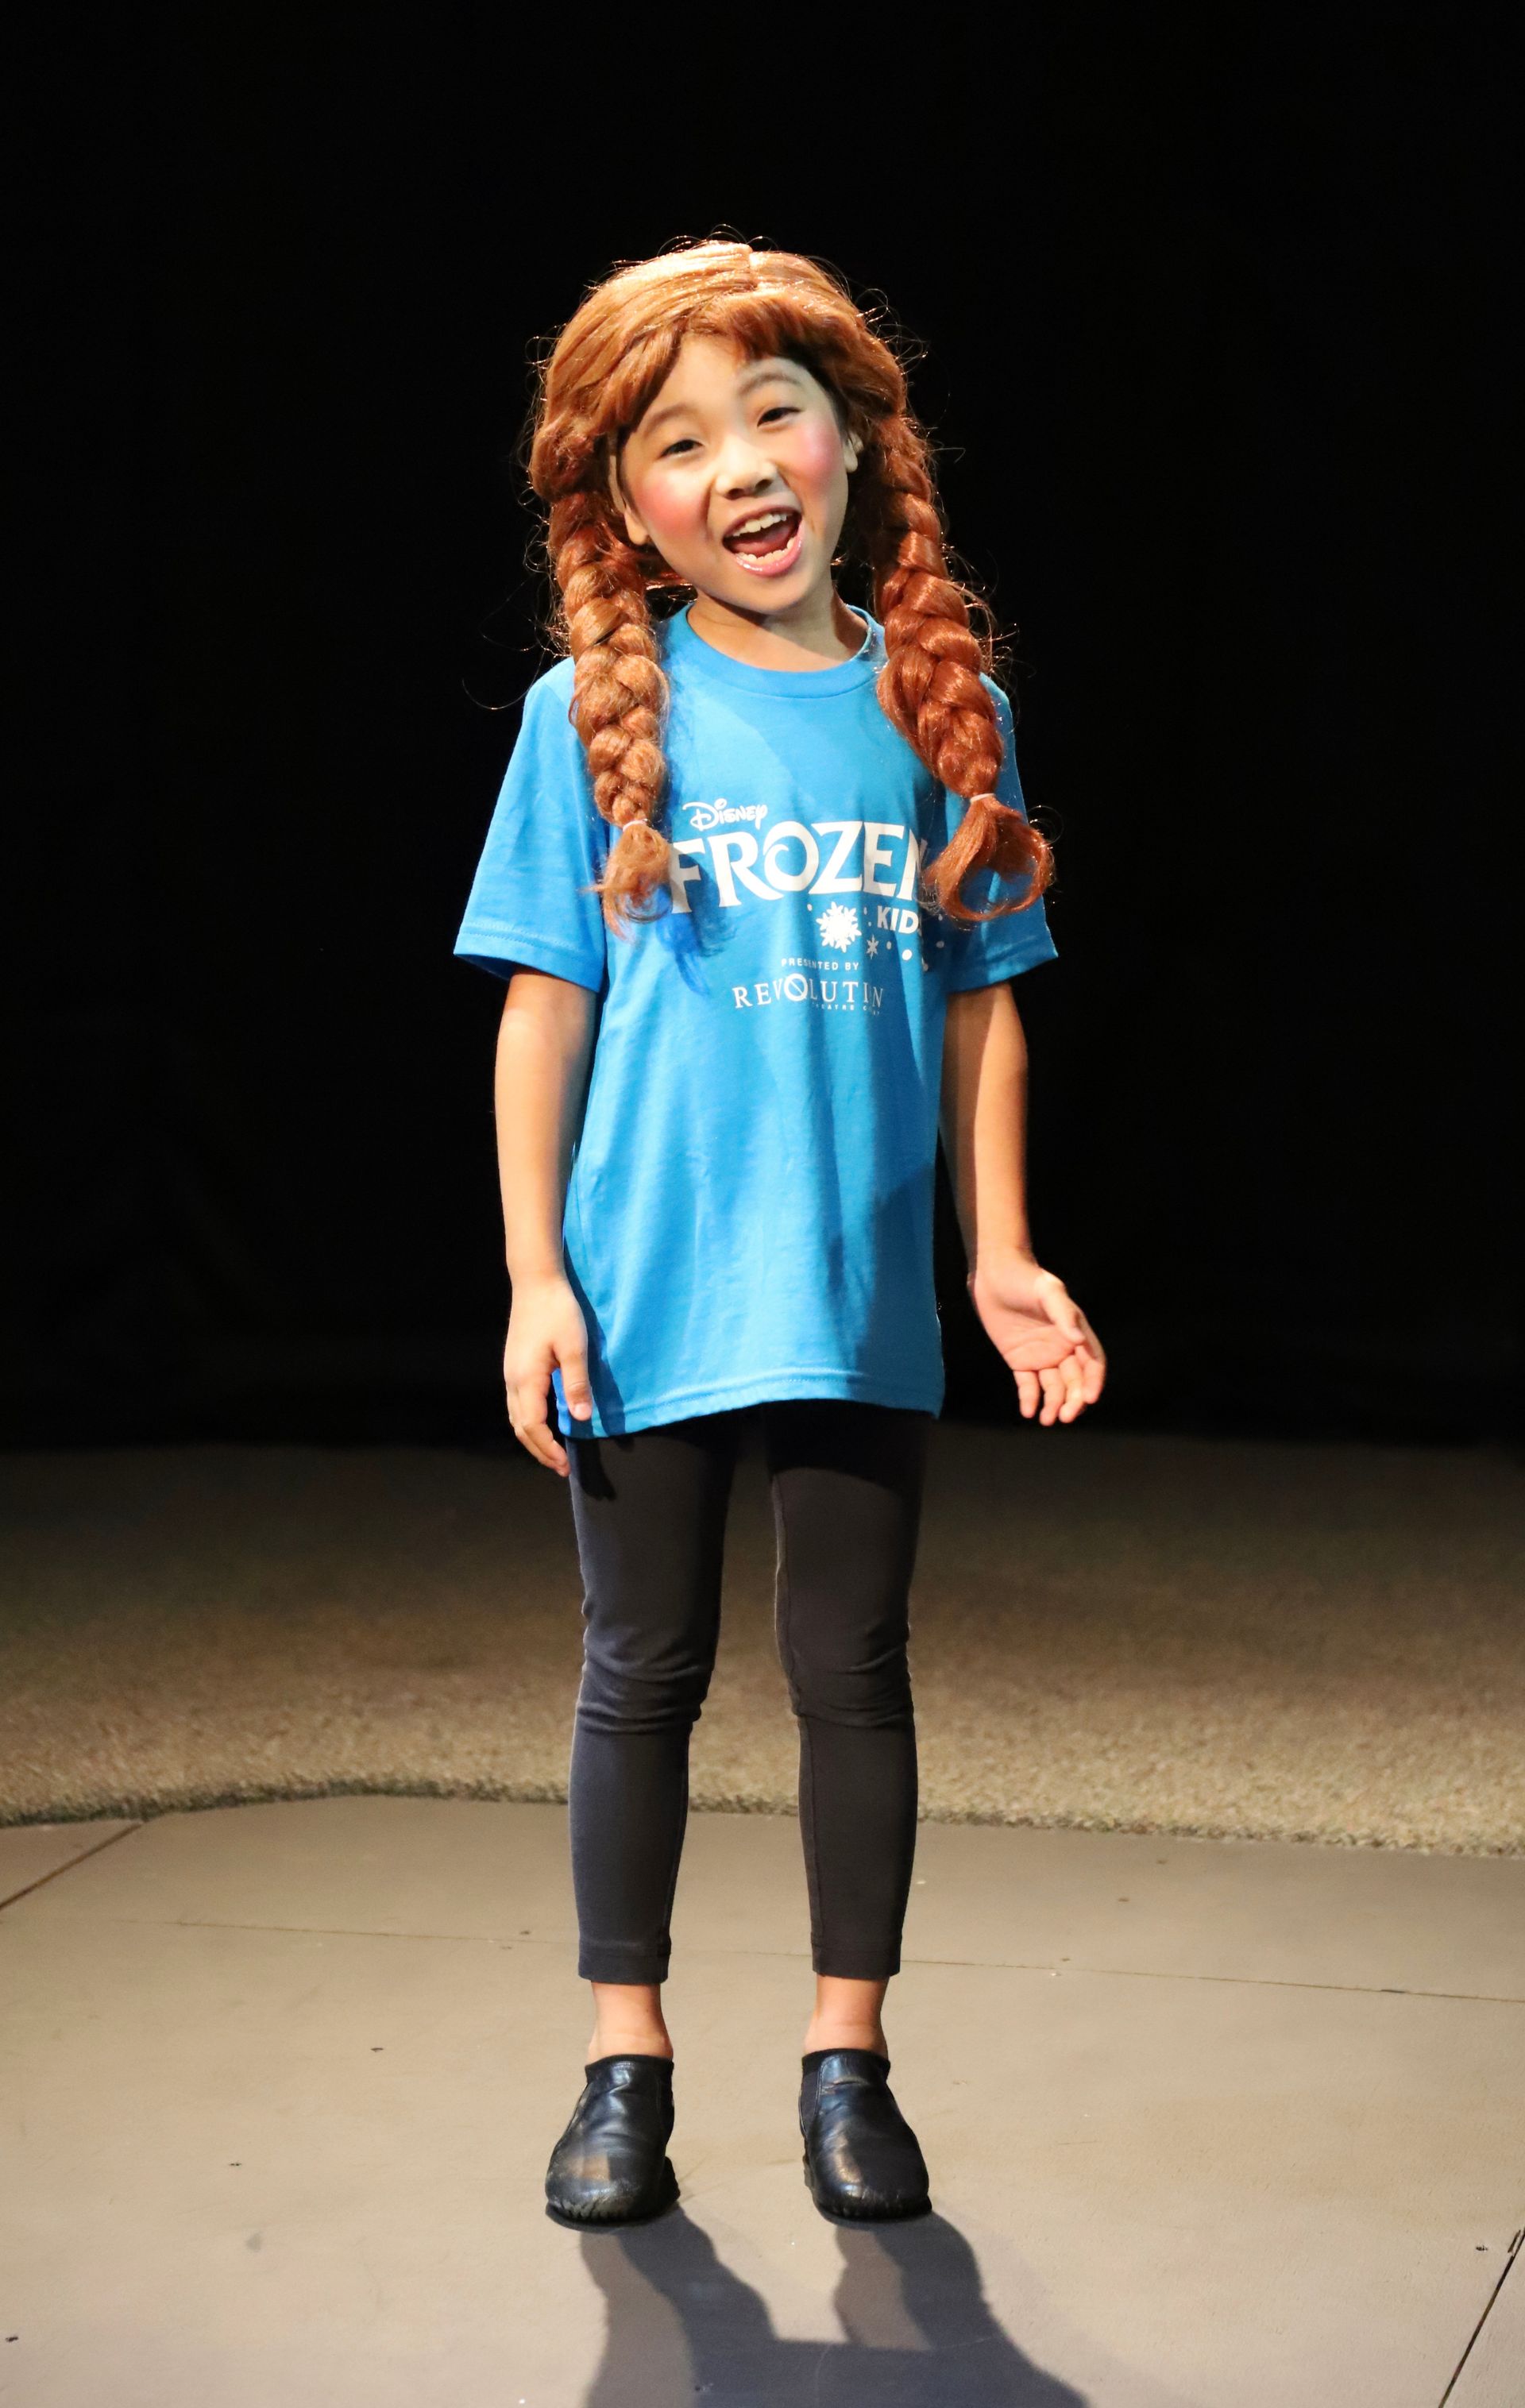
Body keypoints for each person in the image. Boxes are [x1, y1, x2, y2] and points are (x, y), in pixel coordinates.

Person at [453, 241, 1106, 2231]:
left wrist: (997, 1248)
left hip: (850, 1286)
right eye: (678, 437)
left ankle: (850, 2060)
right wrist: (535, 1275)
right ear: (623, 498)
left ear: (848, 440)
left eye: (770, 412)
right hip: (648, 1290)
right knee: (638, 1668)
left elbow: (986, 998)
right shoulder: (585, 713)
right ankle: (623, 2061)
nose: (737, 463)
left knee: (854, 1667)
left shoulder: (945, 706)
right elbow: (541, 1009)